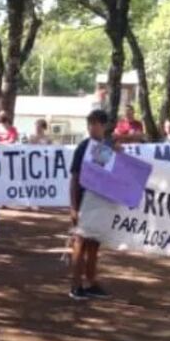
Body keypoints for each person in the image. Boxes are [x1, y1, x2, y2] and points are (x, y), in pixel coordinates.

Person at [69, 109, 119, 301]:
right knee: (80, 243)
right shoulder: (84, 147)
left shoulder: (107, 146)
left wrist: (118, 153)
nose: (92, 127)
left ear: (104, 126)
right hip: (84, 201)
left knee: (94, 244)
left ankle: (90, 282)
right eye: (89, 124)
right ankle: (76, 285)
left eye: (95, 124)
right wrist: (73, 206)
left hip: (101, 201)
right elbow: (74, 178)